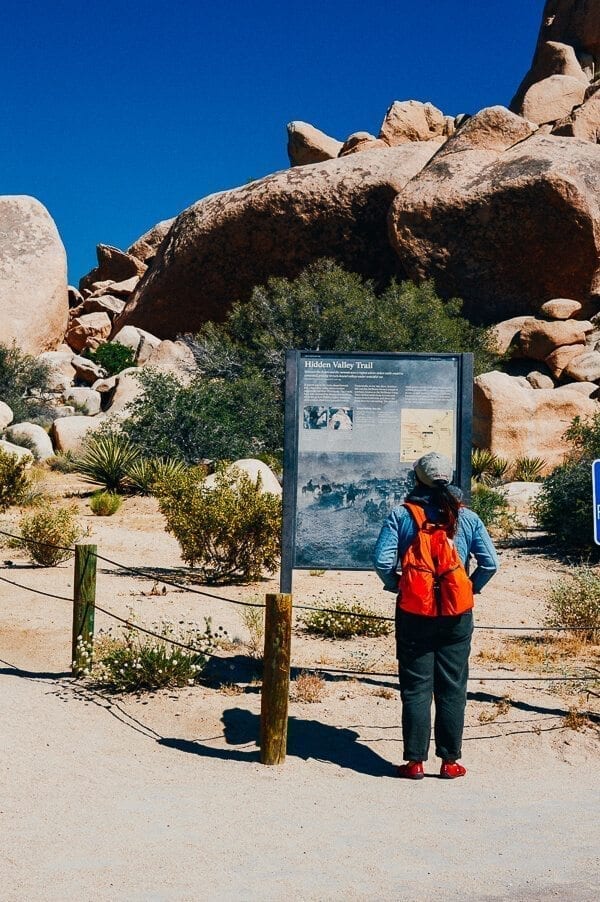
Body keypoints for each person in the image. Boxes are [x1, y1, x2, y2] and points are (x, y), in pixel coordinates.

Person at [373, 451, 498, 780]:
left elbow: (382, 562)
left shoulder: (402, 516)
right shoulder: (466, 518)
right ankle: (450, 762)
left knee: (416, 687)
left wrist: (400, 586)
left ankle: (415, 762)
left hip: (415, 611)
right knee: (452, 687)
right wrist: (470, 589)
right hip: (457, 614)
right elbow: (491, 564)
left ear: (417, 478)